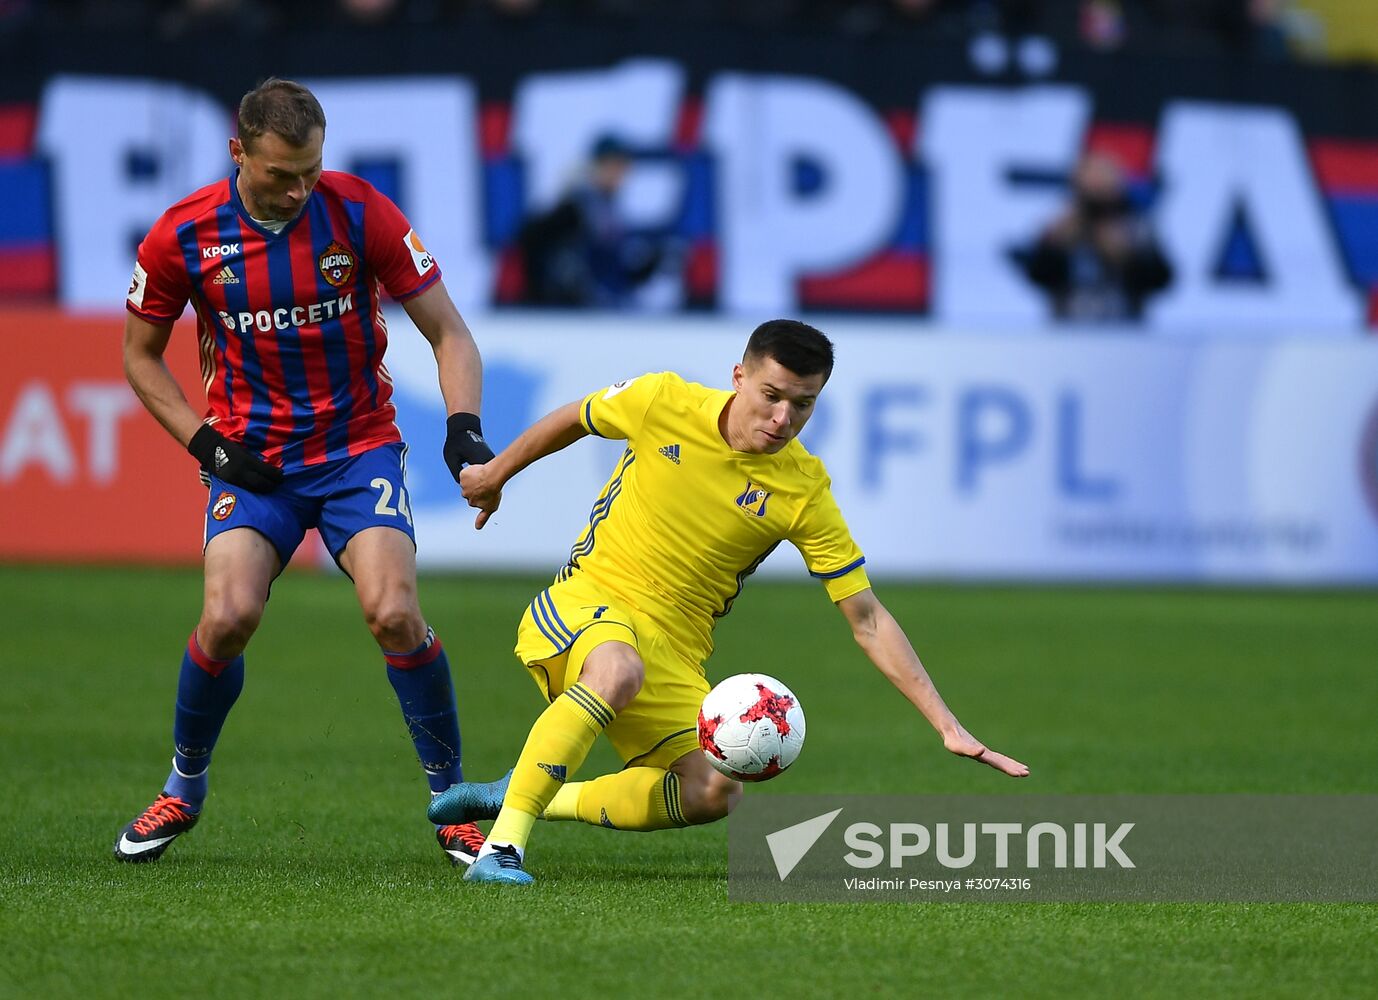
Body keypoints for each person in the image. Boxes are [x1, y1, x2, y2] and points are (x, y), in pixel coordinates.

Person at [431, 319, 1029, 885]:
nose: (783, 416)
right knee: (617, 667)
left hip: (676, 652)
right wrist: (496, 473)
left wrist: (947, 726)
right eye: (772, 394)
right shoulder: (663, 401)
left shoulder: (803, 489)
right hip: (585, 603)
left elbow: (867, 618)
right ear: (738, 375)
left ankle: (525, 788)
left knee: (714, 792)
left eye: (803, 404)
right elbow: (576, 417)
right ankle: (504, 846)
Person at [116, 78, 495, 867]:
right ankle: (183, 788)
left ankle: (454, 802)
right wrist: (205, 447)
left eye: (311, 172)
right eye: (280, 174)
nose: (297, 190)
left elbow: (450, 334)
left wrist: (463, 424)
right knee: (227, 619)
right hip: (251, 461)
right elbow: (140, 358)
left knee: (394, 613)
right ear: (238, 154)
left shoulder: (361, 211)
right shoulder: (182, 236)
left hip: (358, 449)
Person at [1018, 152, 1172, 323]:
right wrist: (1055, 248)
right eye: (1091, 178)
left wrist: (1128, 258)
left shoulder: (1137, 227)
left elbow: (1162, 280)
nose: (1097, 186)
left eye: (1103, 178)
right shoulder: (1061, 225)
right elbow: (1037, 276)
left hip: (1126, 331)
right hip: (1067, 330)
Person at [515, 134, 665, 308]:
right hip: (569, 315)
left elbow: (612, 274)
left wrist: (646, 269)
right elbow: (531, 239)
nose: (619, 174)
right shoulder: (576, 208)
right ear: (596, 166)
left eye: (623, 167)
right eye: (613, 166)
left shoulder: (609, 211)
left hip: (597, 311)